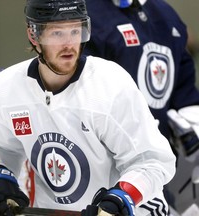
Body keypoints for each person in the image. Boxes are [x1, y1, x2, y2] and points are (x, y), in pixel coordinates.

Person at [0, 0, 176, 215]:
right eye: (57, 34)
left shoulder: (110, 85)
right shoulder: (7, 87)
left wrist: (121, 198)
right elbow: (4, 147)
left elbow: (153, 161)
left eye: (75, 31)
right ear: (34, 36)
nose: (69, 44)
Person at [83, 0, 199, 159]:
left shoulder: (165, 14)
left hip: (157, 164)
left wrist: (190, 121)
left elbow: (184, 89)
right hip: (104, 160)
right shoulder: (82, 15)